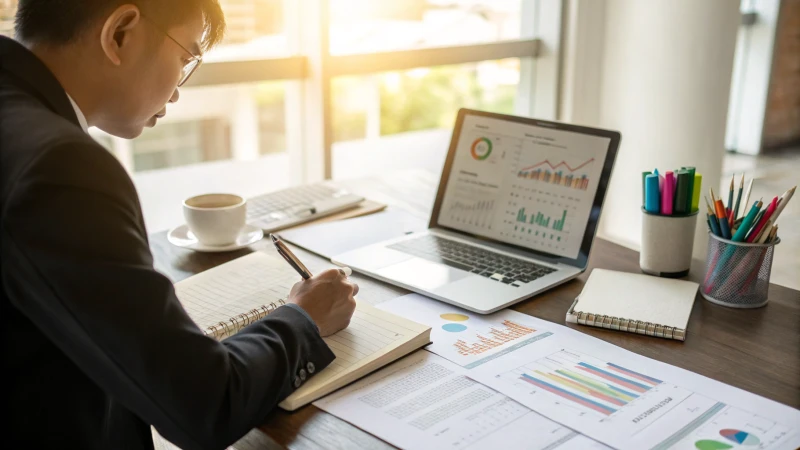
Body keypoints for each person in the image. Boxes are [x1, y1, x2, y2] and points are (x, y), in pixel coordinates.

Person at [0, 1, 358, 448]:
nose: (175, 94)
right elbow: (204, 402)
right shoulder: (60, 167)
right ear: (120, 33)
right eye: (185, 59)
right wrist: (304, 318)